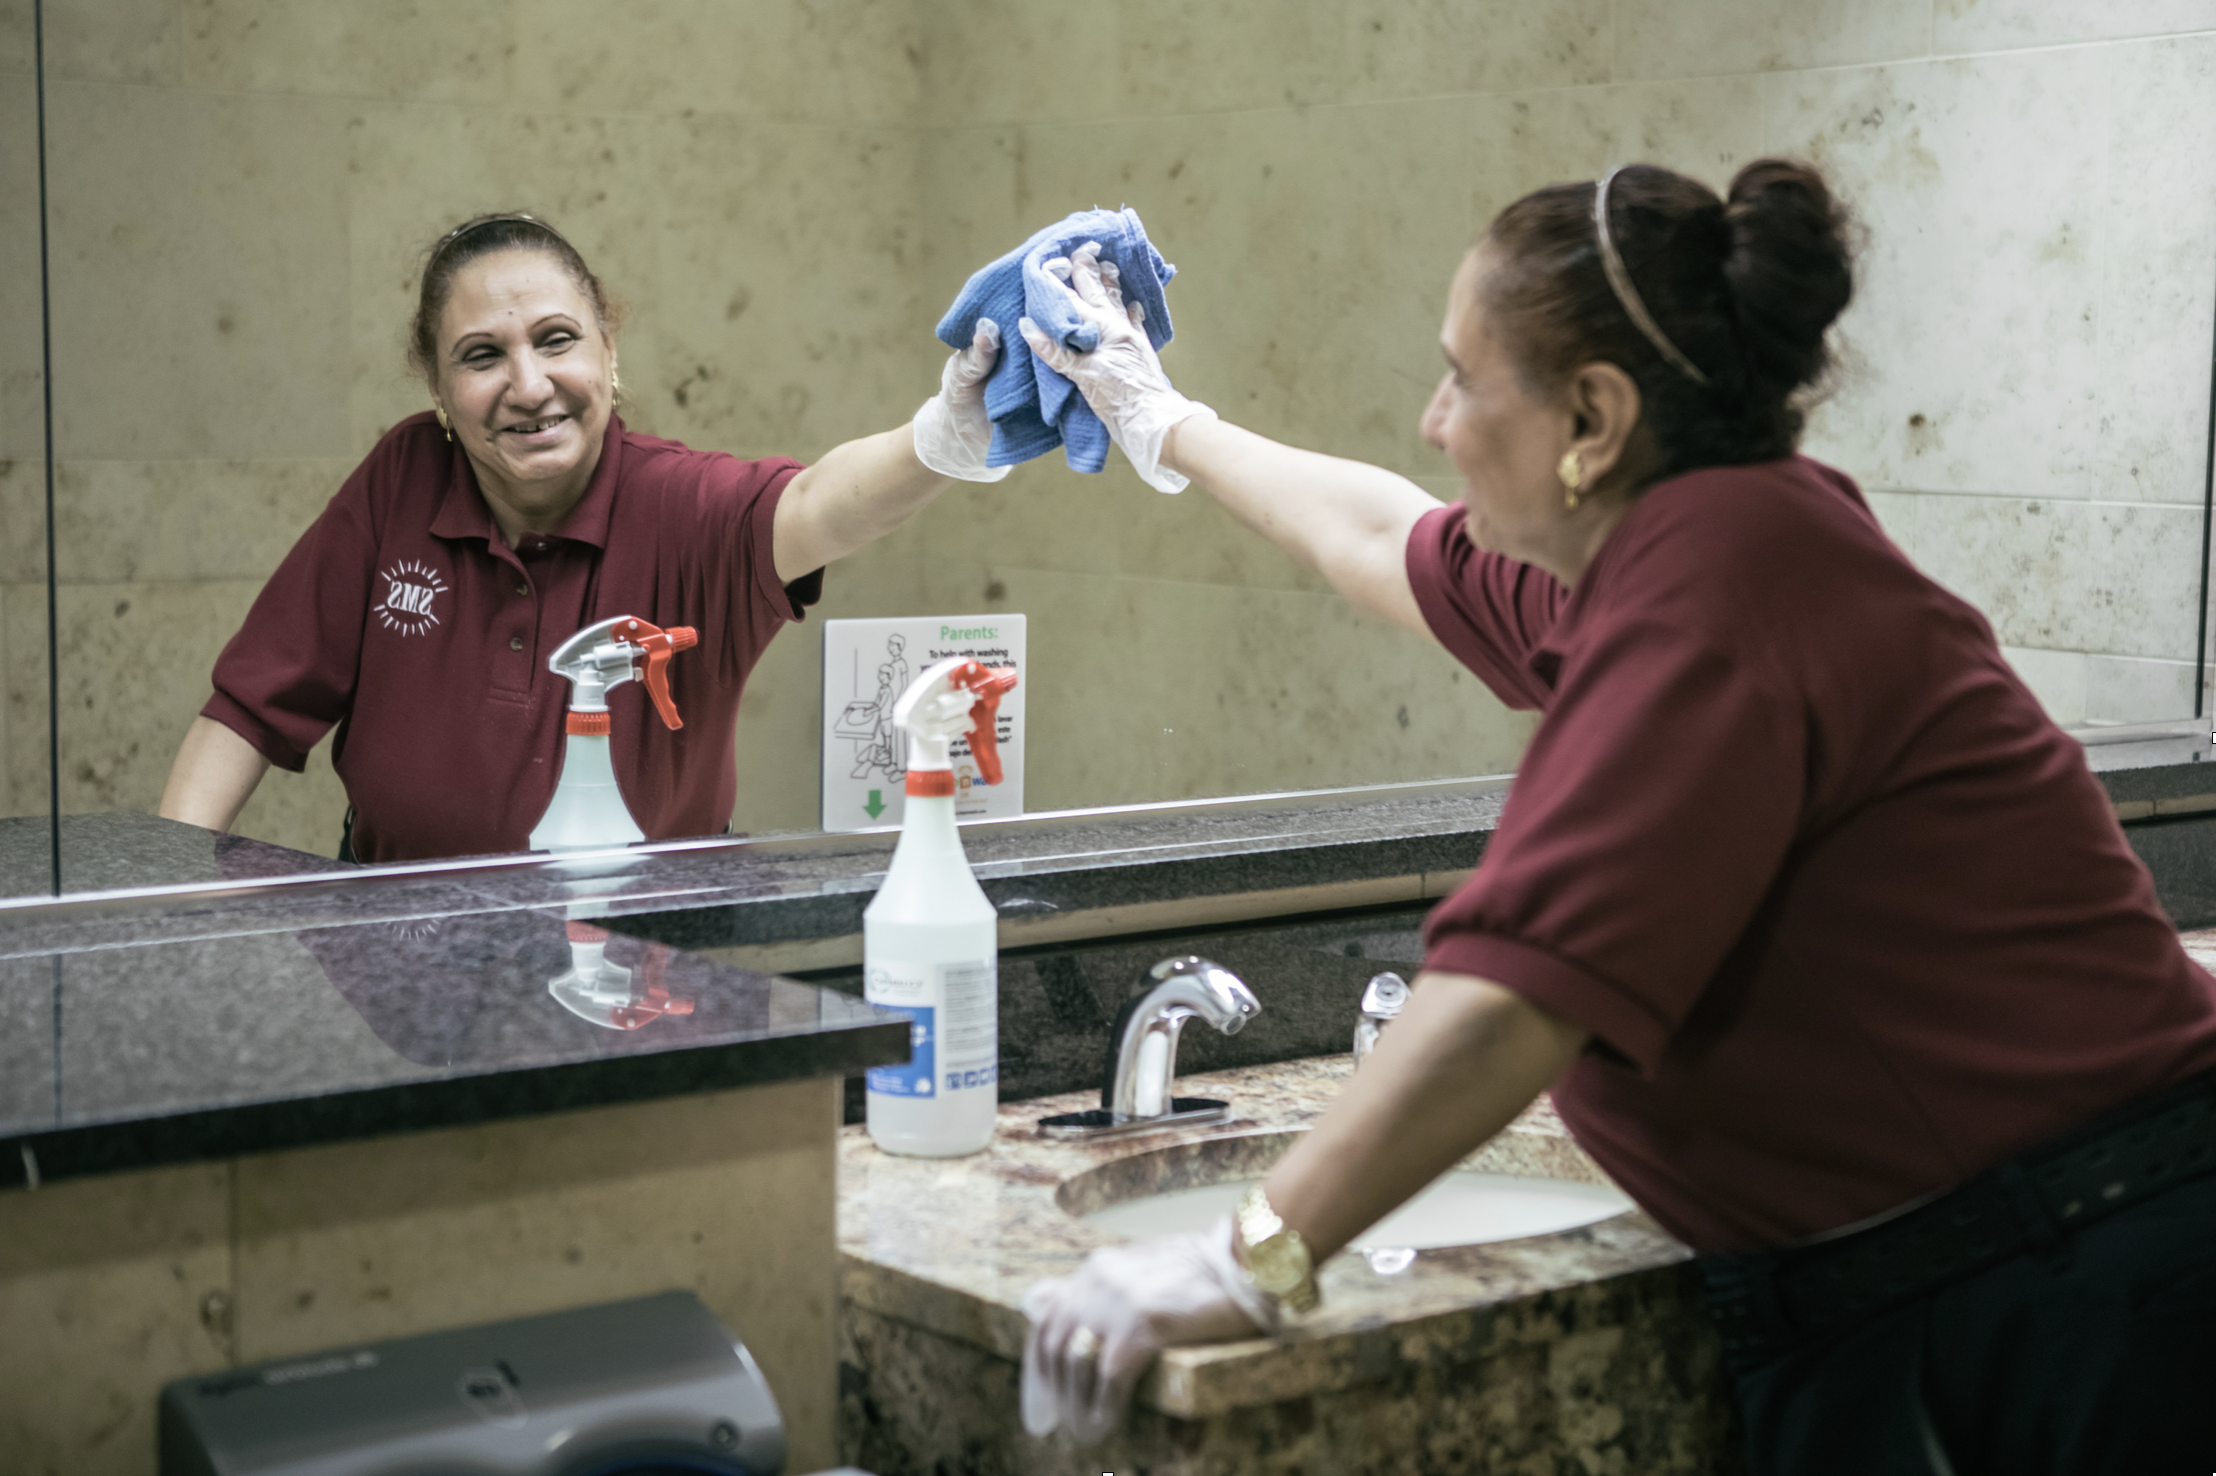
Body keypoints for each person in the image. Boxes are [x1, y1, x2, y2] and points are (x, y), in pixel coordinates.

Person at [1013, 162, 2216, 1474]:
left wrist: (1254, 1256)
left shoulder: (1713, 600)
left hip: (2059, 1295)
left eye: (1464, 380)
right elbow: (1377, 537)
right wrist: (1151, 409)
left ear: (1591, 416)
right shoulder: (1689, 545)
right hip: (2018, 1256)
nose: (1433, 419)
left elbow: (1512, 1001)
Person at [158, 212, 1007, 861]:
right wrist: (160, 902)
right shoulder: (403, 475)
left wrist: (945, 437)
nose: (529, 386)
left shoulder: (680, 505)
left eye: (556, 340)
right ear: (437, 385)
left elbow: (824, 504)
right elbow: (249, 709)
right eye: (482, 355)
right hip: (398, 960)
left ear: (609, 345)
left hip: (647, 966)